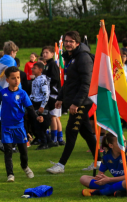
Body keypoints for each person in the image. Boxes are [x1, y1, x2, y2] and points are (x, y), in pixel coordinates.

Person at [46, 31, 97, 174]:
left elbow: (86, 83)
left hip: (82, 102)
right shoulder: (71, 57)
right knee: (87, 133)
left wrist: (76, 103)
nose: (68, 44)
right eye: (66, 41)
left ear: (77, 43)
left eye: (71, 41)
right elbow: (68, 82)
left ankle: (61, 165)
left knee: (71, 132)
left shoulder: (83, 57)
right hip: (75, 101)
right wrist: (60, 98)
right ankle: (99, 161)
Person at [40, 45, 63, 147]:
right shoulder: (47, 64)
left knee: (53, 116)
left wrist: (45, 81)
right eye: (43, 52)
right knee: (55, 117)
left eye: (47, 52)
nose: (44, 54)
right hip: (52, 92)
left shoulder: (52, 64)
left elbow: (55, 78)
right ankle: (59, 138)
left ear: (52, 54)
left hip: (53, 93)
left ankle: (54, 139)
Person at [29, 62, 51, 149]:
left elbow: (46, 93)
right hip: (35, 103)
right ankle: (49, 141)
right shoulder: (35, 80)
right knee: (36, 123)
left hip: (41, 103)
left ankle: (44, 143)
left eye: (34, 68)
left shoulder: (42, 80)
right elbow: (34, 93)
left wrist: (42, 106)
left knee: (40, 124)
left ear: (40, 70)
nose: (32, 69)